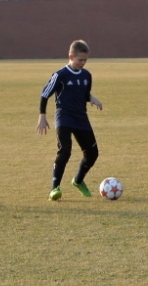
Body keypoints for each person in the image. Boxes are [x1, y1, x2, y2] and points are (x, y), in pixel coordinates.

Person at [37, 39, 104, 199]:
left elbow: (82, 92)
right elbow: (45, 94)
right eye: (80, 60)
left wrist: (91, 98)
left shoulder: (87, 75)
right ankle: (55, 188)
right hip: (64, 117)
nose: (83, 63)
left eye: (85, 60)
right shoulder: (60, 75)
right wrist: (42, 116)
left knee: (92, 153)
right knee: (65, 150)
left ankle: (78, 180)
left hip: (81, 118)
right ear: (71, 56)